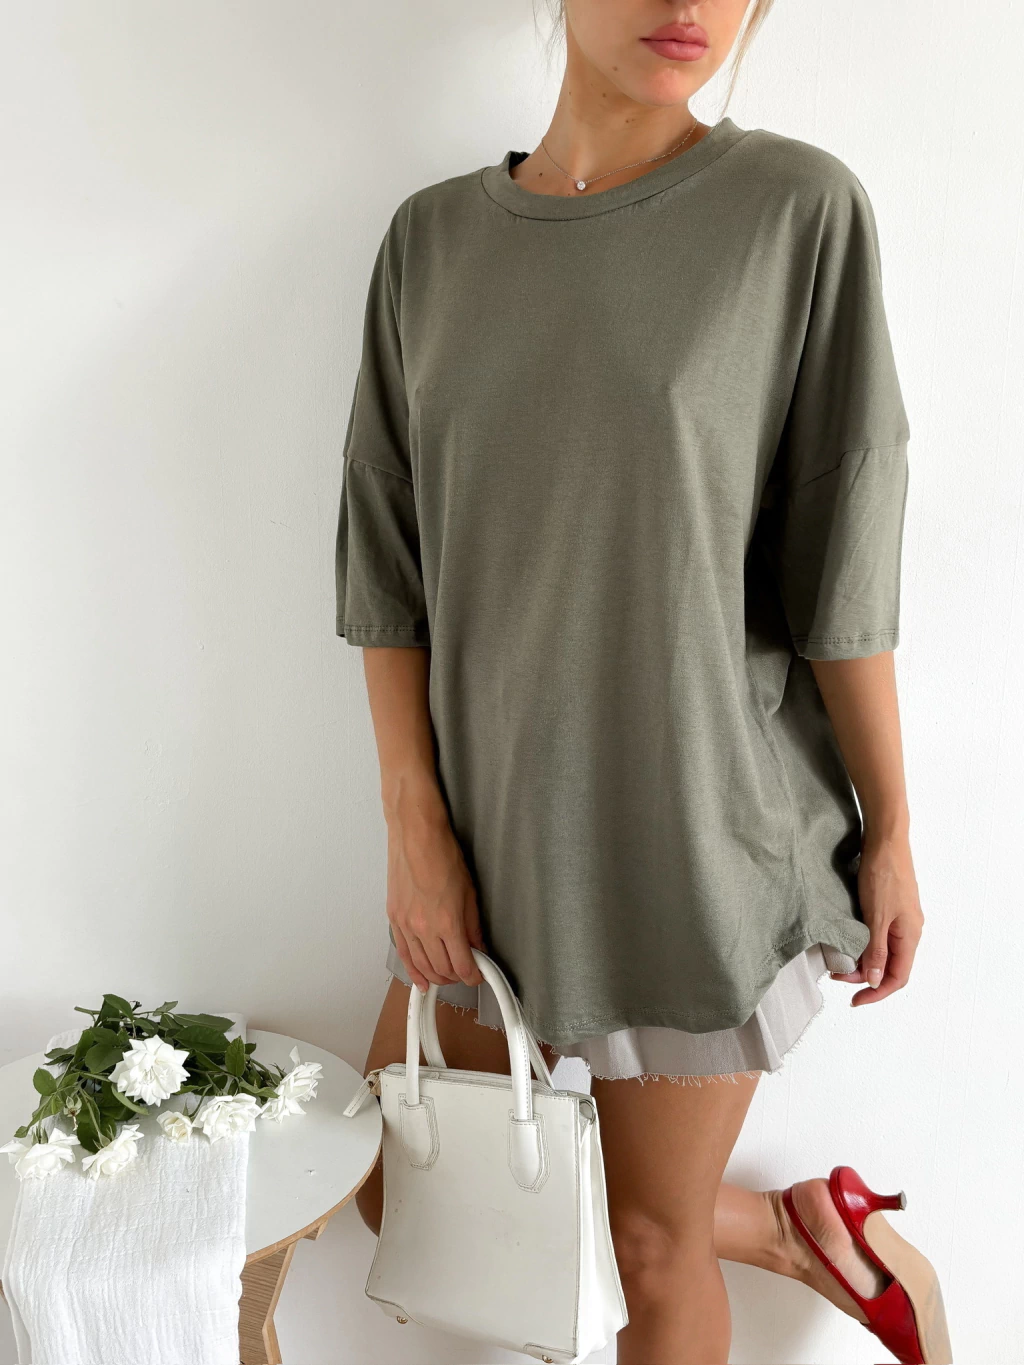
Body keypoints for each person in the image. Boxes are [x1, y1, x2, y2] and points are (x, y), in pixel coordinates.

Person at [334, 3, 952, 1362]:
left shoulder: (792, 211)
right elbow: (388, 558)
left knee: (651, 1245)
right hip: (491, 828)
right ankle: (800, 1232)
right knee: (400, 1183)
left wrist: (894, 825)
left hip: (699, 822)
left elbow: (845, 553)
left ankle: (775, 1236)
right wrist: (414, 823)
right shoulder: (429, 243)